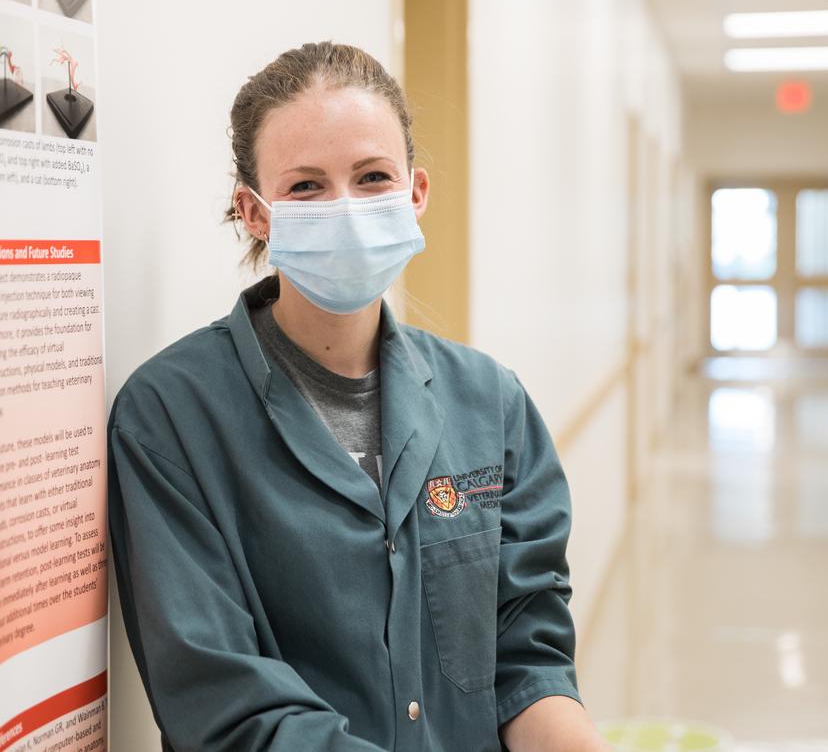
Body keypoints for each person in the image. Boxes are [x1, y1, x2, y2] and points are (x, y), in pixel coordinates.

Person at [108, 41, 608, 751]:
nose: (344, 207)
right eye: (306, 187)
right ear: (253, 212)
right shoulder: (170, 416)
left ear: (416, 194)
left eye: (373, 176)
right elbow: (225, 705)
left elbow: (526, 657)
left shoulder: (489, 402)